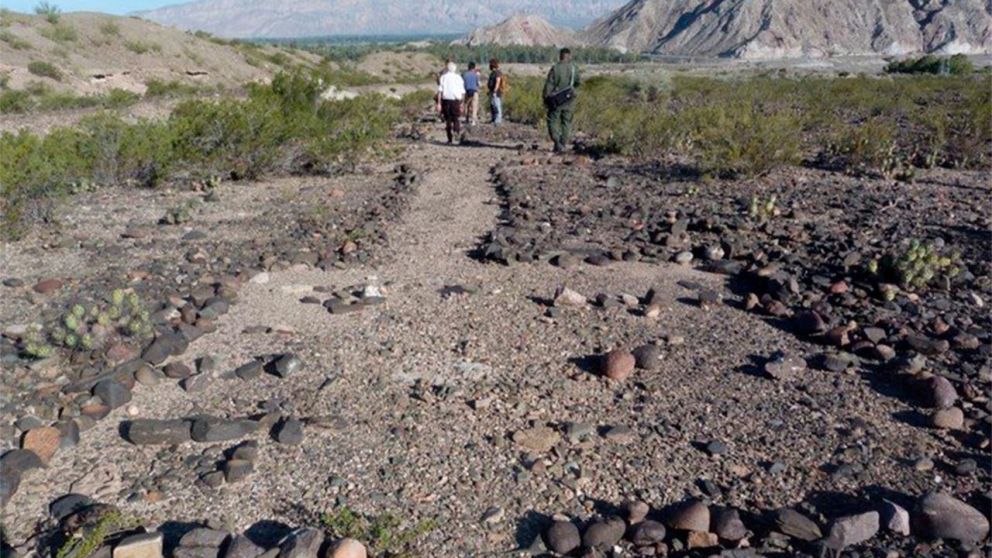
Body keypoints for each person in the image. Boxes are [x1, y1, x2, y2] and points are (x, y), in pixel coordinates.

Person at [543, 48, 581, 153]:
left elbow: (549, 85)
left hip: (556, 100)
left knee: (552, 120)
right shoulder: (574, 68)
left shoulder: (555, 68)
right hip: (569, 100)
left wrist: (545, 98)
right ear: (569, 56)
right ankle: (562, 143)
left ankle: (557, 142)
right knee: (566, 122)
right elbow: (578, 82)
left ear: (560, 56)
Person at [437, 61, 466, 144]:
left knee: (448, 120)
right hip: (456, 100)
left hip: (446, 100)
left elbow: (440, 91)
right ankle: (456, 134)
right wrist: (462, 103)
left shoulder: (443, 77)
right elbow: (462, 92)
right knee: (456, 118)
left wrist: (439, 103)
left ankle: (450, 139)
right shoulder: (459, 78)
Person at [462, 62, 481, 126]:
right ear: (474, 67)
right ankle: (473, 121)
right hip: (474, 91)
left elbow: (463, 84)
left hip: (467, 91)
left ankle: (466, 119)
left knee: (467, 105)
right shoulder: (476, 75)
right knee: (474, 106)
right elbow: (478, 84)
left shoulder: (465, 75)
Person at [487, 58, 504, 125]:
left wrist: (494, 91)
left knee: (497, 105)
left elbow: (497, 82)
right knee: (492, 105)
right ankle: (494, 118)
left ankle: (498, 120)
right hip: (492, 91)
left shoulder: (497, 73)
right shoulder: (493, 73)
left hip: (496, 92)